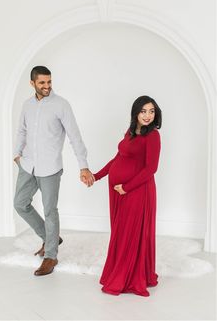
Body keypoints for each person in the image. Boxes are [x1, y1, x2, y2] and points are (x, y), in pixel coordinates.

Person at [13, 66, 94, 276]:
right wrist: (16, 154)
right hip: (28, 164)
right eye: (42, 83)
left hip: (50, 168)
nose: (47, 86)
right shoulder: (27, 105)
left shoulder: (61, 105)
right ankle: (50, 237)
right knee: (20, 204)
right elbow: (22, 130)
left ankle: (51, 255)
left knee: (50, 211)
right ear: (32, 83)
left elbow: (74, 136)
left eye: (49, 82)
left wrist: (83, 165)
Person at [92, 95, 162, 296]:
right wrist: (97, 176)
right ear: (135, 113)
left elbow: (151, 168)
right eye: (143, 111)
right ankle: (119, 271)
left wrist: (127, 187)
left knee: (129, 234)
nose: (148, 115)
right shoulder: (131, 131)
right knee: (120, 232)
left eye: (151, 111)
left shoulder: (153, 136)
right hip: (119, 191)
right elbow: (118, 158)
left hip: (137, 191)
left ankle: (129, 277)